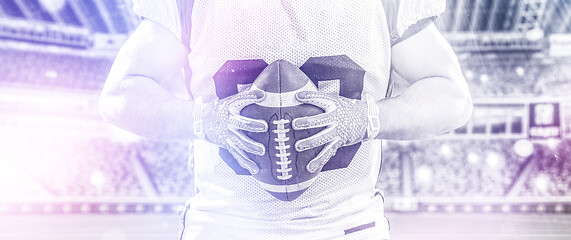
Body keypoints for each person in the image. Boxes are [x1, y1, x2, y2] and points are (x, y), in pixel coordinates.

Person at [99, 0, 473, 239]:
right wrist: (203, 120)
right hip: (227, 226)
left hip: (345, 226)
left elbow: (451, 95)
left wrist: (364, 118)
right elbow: (120, 94)